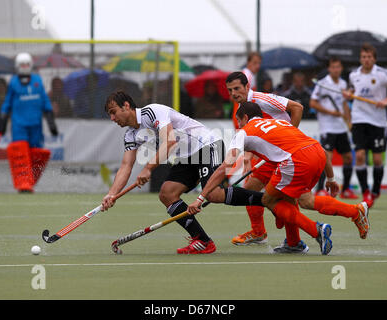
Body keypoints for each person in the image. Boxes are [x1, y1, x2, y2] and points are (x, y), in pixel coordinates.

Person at [187, 102, 370, 255]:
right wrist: (330, 177)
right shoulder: (279, 123)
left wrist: (201, 197)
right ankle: (353, 212)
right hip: (317, 154)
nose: (239, 125)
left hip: (296, 161)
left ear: (243, 118)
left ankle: (316, 230)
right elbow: (318, 148)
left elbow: (225, 167)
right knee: (304, 200)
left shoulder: (243, 132)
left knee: (267, 199)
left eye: (239, 121)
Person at [100, 91, 227, 254]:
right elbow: (126, 165)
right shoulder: (130, 135)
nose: (112, 118)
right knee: (167, 194)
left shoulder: (151, 112)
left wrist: (148, 169)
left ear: (126, 106)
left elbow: (170, 141)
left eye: (113, 112)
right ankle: (203, 241)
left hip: (206, 144)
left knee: (214, 194)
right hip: (187, 156)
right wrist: (111, 194)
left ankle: (265, 200)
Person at [225, 71, 304, 245]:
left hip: (287, 154)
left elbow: (297, 107)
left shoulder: (262, 99)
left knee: (301, 200)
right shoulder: (242, 107)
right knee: (250, 189)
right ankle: (259, 232)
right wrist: (247, 158)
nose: (233, 94)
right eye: (230, 90)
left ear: (247, 86)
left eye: (237, 88)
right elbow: (251, 135)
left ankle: (351, 212)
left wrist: (292, 138)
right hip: (270, 156)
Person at [343, 43, 387, 208]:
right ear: (360, 58)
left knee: (377, 159)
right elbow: (351, 91)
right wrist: (348, 95)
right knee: (361, 156)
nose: (366, 60)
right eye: (363, 57)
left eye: (369, 57)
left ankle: (376, 189)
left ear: (374, 58)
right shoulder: (353, 75)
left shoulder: (383, 74)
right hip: (359, 119)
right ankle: (365, 191)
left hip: (377, 121)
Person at [0, 52, 58, 193]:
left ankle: (29, 181)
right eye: (22, 64)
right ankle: (23, 183)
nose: (24, 67)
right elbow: (7, 103)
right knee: (20, 153)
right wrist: (3, 120)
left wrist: (51, 121)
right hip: (19, 125)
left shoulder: (37, 80)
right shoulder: (13, 82)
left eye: (26, 64)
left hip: (36, 125)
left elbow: (44, 100)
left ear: (30, 65)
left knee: (36, 154)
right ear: (18, 66)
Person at [310, 57, 358, 199]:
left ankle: (346, 190)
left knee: (348, 158)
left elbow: (344, 105)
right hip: (328, 127)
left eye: (338, 67)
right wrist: (331, 112)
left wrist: (349, 122)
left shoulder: (343, 84)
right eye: (333, 67)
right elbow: (313, 103)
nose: (335, 69)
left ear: (340, 68)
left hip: (341, 127)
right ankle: (319, 189)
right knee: (327, 159)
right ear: (329, 68)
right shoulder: (323, 83)